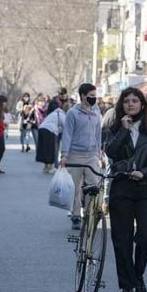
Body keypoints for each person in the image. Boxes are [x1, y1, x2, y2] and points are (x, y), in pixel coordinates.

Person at [105, 87, 147, 292]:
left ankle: (137, 276)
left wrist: (143, 172)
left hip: (145, 188)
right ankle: (126, 286)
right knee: (122, 239)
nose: (130, 104)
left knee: (146, 236)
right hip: (121, 188)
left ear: (142, 105)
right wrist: (123, 130)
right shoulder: (114, 128)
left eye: (135, 101)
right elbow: (110, 152)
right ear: (121, 105)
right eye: (127, 101)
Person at [60, 83, 102, 230]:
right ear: (83, 96)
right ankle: (76, 215)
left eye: (95, 96)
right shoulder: (73, 113)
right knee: (75, 188)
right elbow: (67, 135)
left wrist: (99, 153)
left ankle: (90, 212)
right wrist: (64, 155)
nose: (94, 98)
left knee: (94, 185)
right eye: (91, 96)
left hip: (92, 155)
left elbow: (98, 134)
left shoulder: (96, 112)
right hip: (75, 155)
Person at [36, 100, 65, 173]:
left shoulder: (52, 114)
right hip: (50, 131)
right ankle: (51, 167)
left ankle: (46, 167)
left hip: (41, 129)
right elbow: (66, 125)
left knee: (44, 149)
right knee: (51, 149)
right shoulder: (60, 113)